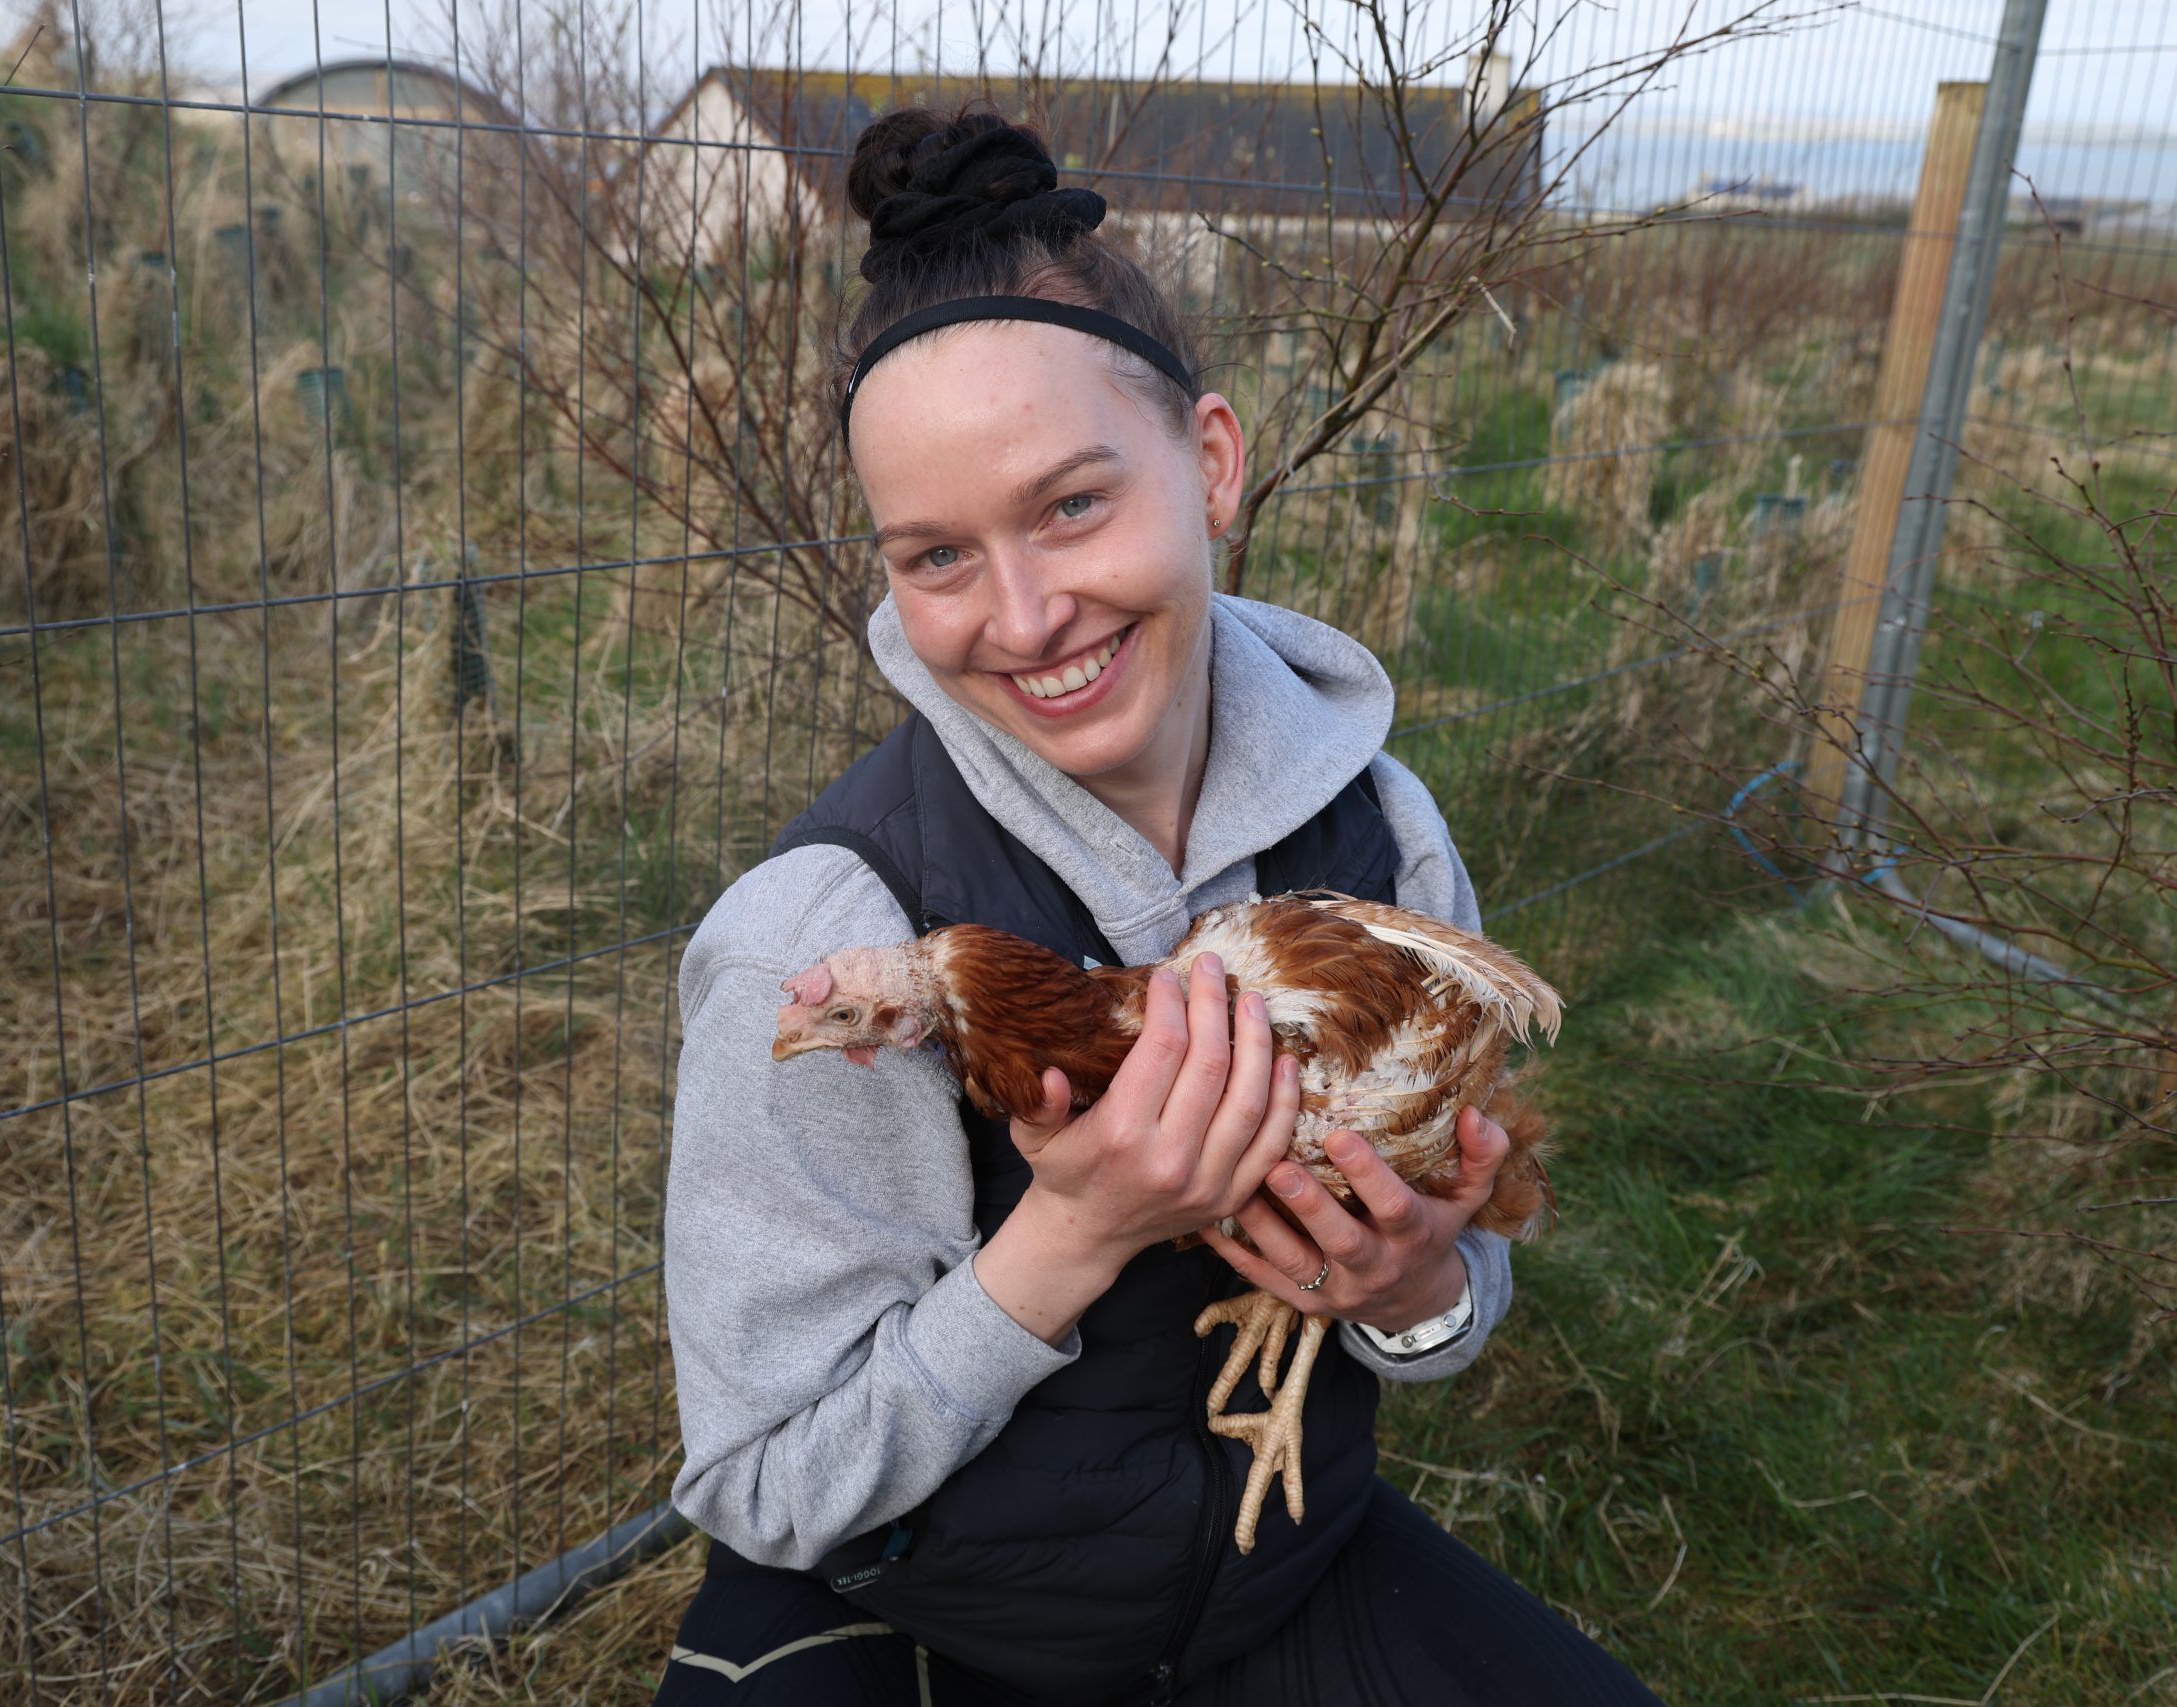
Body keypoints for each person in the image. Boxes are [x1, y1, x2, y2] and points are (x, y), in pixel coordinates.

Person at [654, 105, 1664, 1707]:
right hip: (938, 1627)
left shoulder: (1379, 833)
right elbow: (767, 1483)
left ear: (1210, 459)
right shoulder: (830, 939)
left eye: (1071, 505)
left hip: (1277, 1582)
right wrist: (1068, 1236)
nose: (1027, 614)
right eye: (936, 556)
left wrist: (1412, 1295)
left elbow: (1465, 1291)